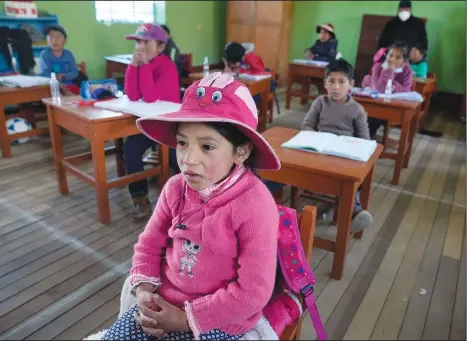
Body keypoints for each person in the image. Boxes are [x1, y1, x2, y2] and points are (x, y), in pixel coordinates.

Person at [101, 72, 283, 340]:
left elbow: (254, 292)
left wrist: (187, 318)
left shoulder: (256, 205)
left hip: (219, 320)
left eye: (207, 146)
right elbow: (149, 245)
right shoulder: (175, 188)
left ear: (241, 152)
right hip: (164, 302)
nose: (188, 159)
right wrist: (144, 293)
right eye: (183, 143)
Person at [302, 59, 373, 233]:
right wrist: (315, 137)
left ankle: (355, 212)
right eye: (331, 81)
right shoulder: (320, 102)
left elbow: (365, 140)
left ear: (351, 84)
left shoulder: (357, 109)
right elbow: (307, 125)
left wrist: (350, 145)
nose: (336, 87)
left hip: (343, 154)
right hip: (319, 150)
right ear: (325, 83)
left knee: (350, 178)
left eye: (341, 82)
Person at [123, 23, 180, 219]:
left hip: (170, 125)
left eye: (147, 42)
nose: (140, 46)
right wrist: (133, 66)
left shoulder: (167, 66)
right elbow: (131, 94)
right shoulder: (140, 62)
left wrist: (144, 66)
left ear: (161, 47)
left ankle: (195, 196)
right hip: (149, 123)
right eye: (138, 42)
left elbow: (150, 98)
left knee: (178, 159)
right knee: (130, 148)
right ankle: (139, 196)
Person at [362, 41, 413, 138]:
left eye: (398, 57)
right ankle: (364, 139)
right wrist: (389, 71)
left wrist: (393, 85)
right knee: (369, 116)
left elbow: (406, 90)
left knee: (374, 118)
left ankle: (367, 139)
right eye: (391, 55)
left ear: (404, 60)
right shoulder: (378, 67)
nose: (392, 59)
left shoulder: (407, 70)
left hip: (395, 106)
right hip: (377, 104)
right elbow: (379, 89)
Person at [40, 24, 87, 92]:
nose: (54, 40)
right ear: (47, 41)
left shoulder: (68, 54)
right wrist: (57, 83)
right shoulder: (45, 54)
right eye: (51, 37)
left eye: (58, 37)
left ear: (65, 41)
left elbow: (75, 72)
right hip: (53, 87)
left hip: (70, 86)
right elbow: (46, 74)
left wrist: (64, 75)